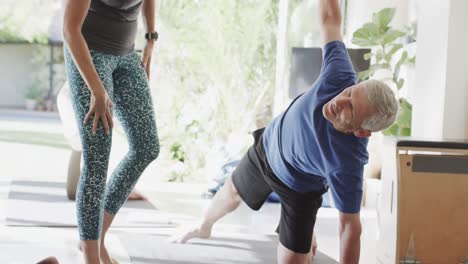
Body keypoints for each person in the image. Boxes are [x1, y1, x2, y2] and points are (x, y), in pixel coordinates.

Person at [172, 1, 399, 263]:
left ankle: (306, 234)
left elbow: (350, 227)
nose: (339, 102)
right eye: (350, 93)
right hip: (268, 149)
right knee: (230, 191)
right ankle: (203, 226)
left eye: (350, 108)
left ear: (361, 132)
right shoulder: (340, 75)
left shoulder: (347, 162)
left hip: (299, 188)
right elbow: (330, 20)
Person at [62, 0, 159, 263]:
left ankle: (96, 238)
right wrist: (97, 90)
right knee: (97, 160)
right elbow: (70, 29)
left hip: (126, 54)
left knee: (147, 147)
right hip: (89, 53)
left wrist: (151, 37)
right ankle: (92, 256)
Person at [57, 82, 147, 201]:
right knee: (87, 144)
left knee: (80, 145)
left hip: (79, 92)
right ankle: (107, 192)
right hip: (85, 94)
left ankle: (101, 192)